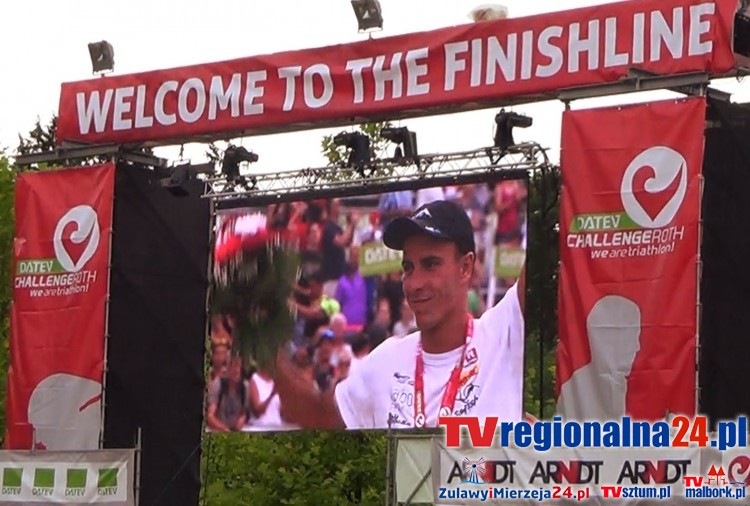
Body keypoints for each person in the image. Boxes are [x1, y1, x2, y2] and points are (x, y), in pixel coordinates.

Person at [274, 199, 525, 429]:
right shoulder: (385, 361)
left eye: (430, 264)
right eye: (408, 267)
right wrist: (263, 344)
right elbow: (319, 415)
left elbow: (560, 234)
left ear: (466, 267)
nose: (414, 283)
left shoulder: (504, 333)